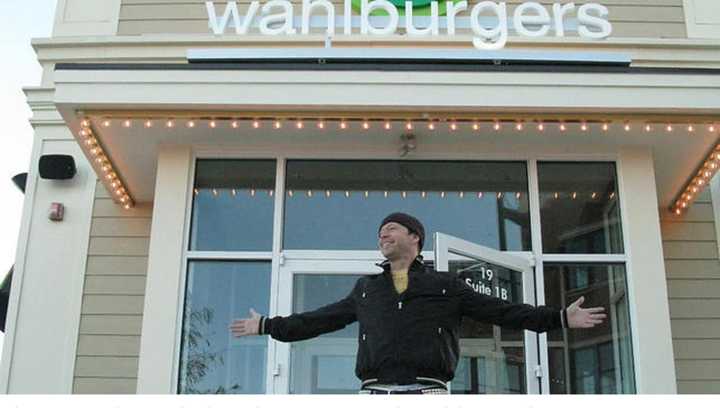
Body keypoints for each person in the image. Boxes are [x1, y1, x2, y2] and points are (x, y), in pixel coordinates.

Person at [230, 212, 607, 394]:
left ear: (415, 237)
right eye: (380, 231)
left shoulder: (446, 286)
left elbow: (503, 311)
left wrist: (559, 317)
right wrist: (266, 325)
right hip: (375, 393)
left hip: (428, 392)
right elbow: (318, 320)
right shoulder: (367, 289)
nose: (383, 234)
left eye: (391, 228)